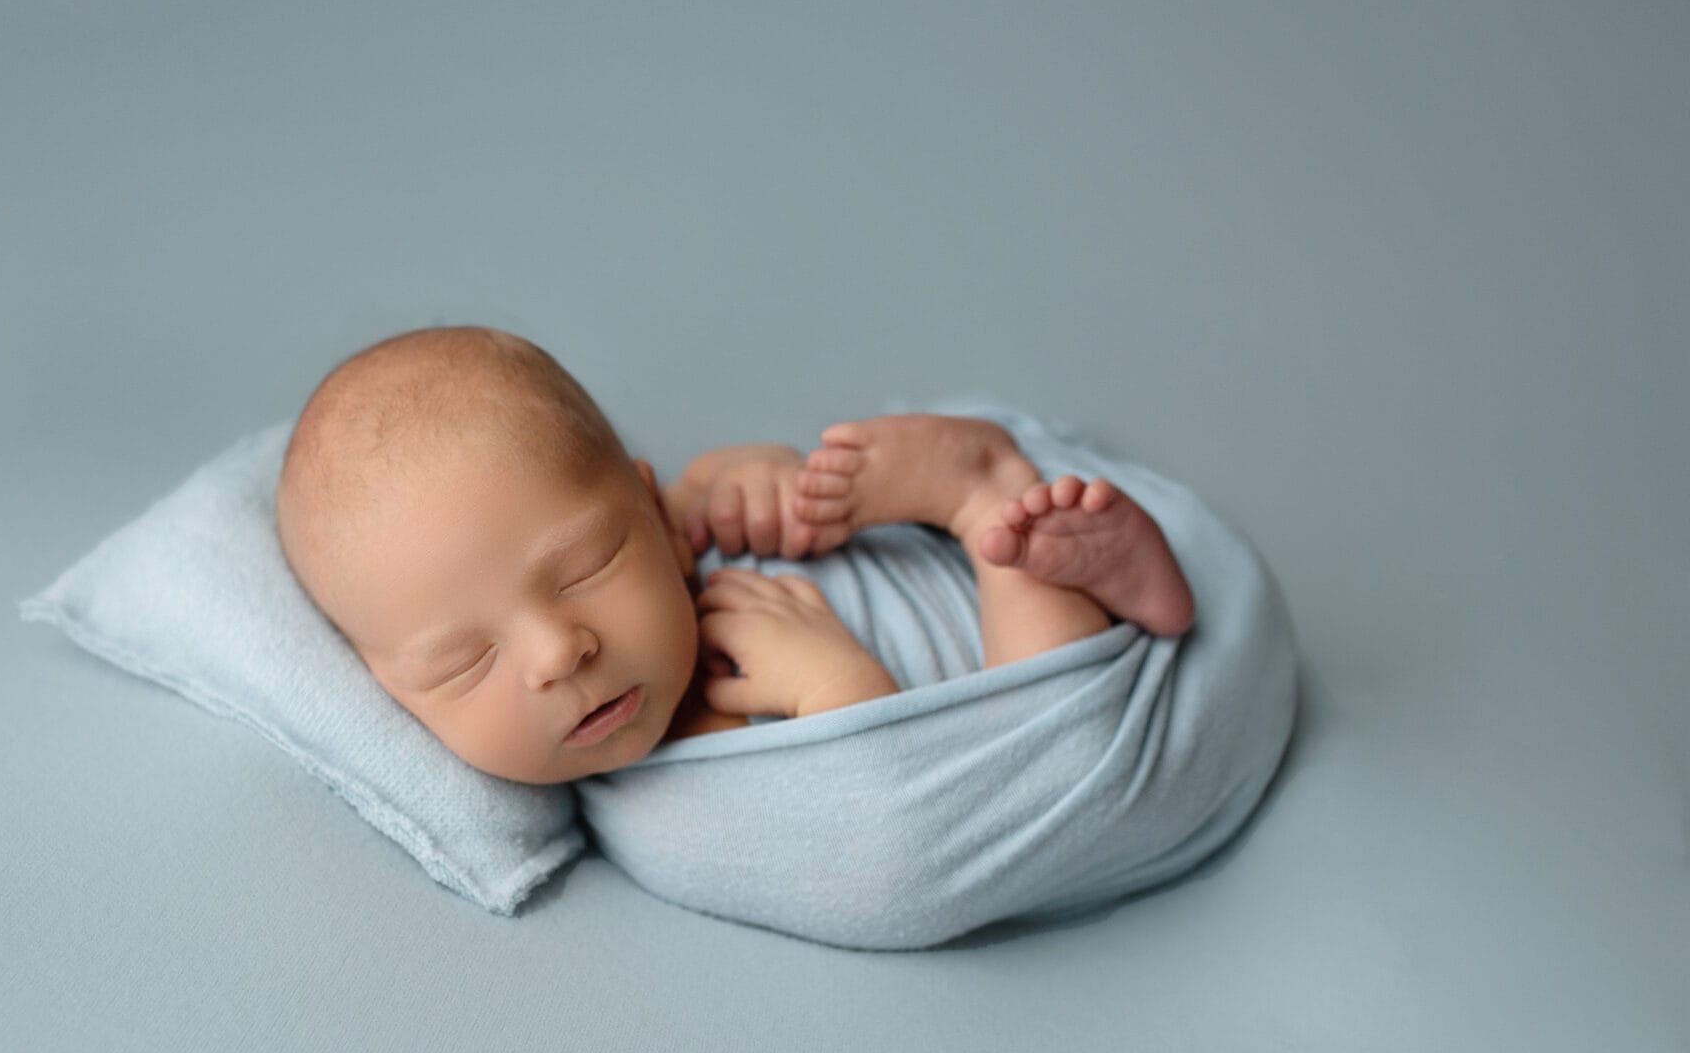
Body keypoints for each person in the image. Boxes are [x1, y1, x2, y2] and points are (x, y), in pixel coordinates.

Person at [274, 326, 1194, 786]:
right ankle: (988, 498)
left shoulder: (673, 534)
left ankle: (1002, 516)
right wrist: (832, 683)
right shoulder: (684, 810)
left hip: (917, 570)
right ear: (389, 693)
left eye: (588, 566)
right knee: (1053, 751)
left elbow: (686, 495)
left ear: (653, 519)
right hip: (1024, 700)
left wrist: (752, 481)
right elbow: (895, 807)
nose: (559, 654)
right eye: (466, 660)